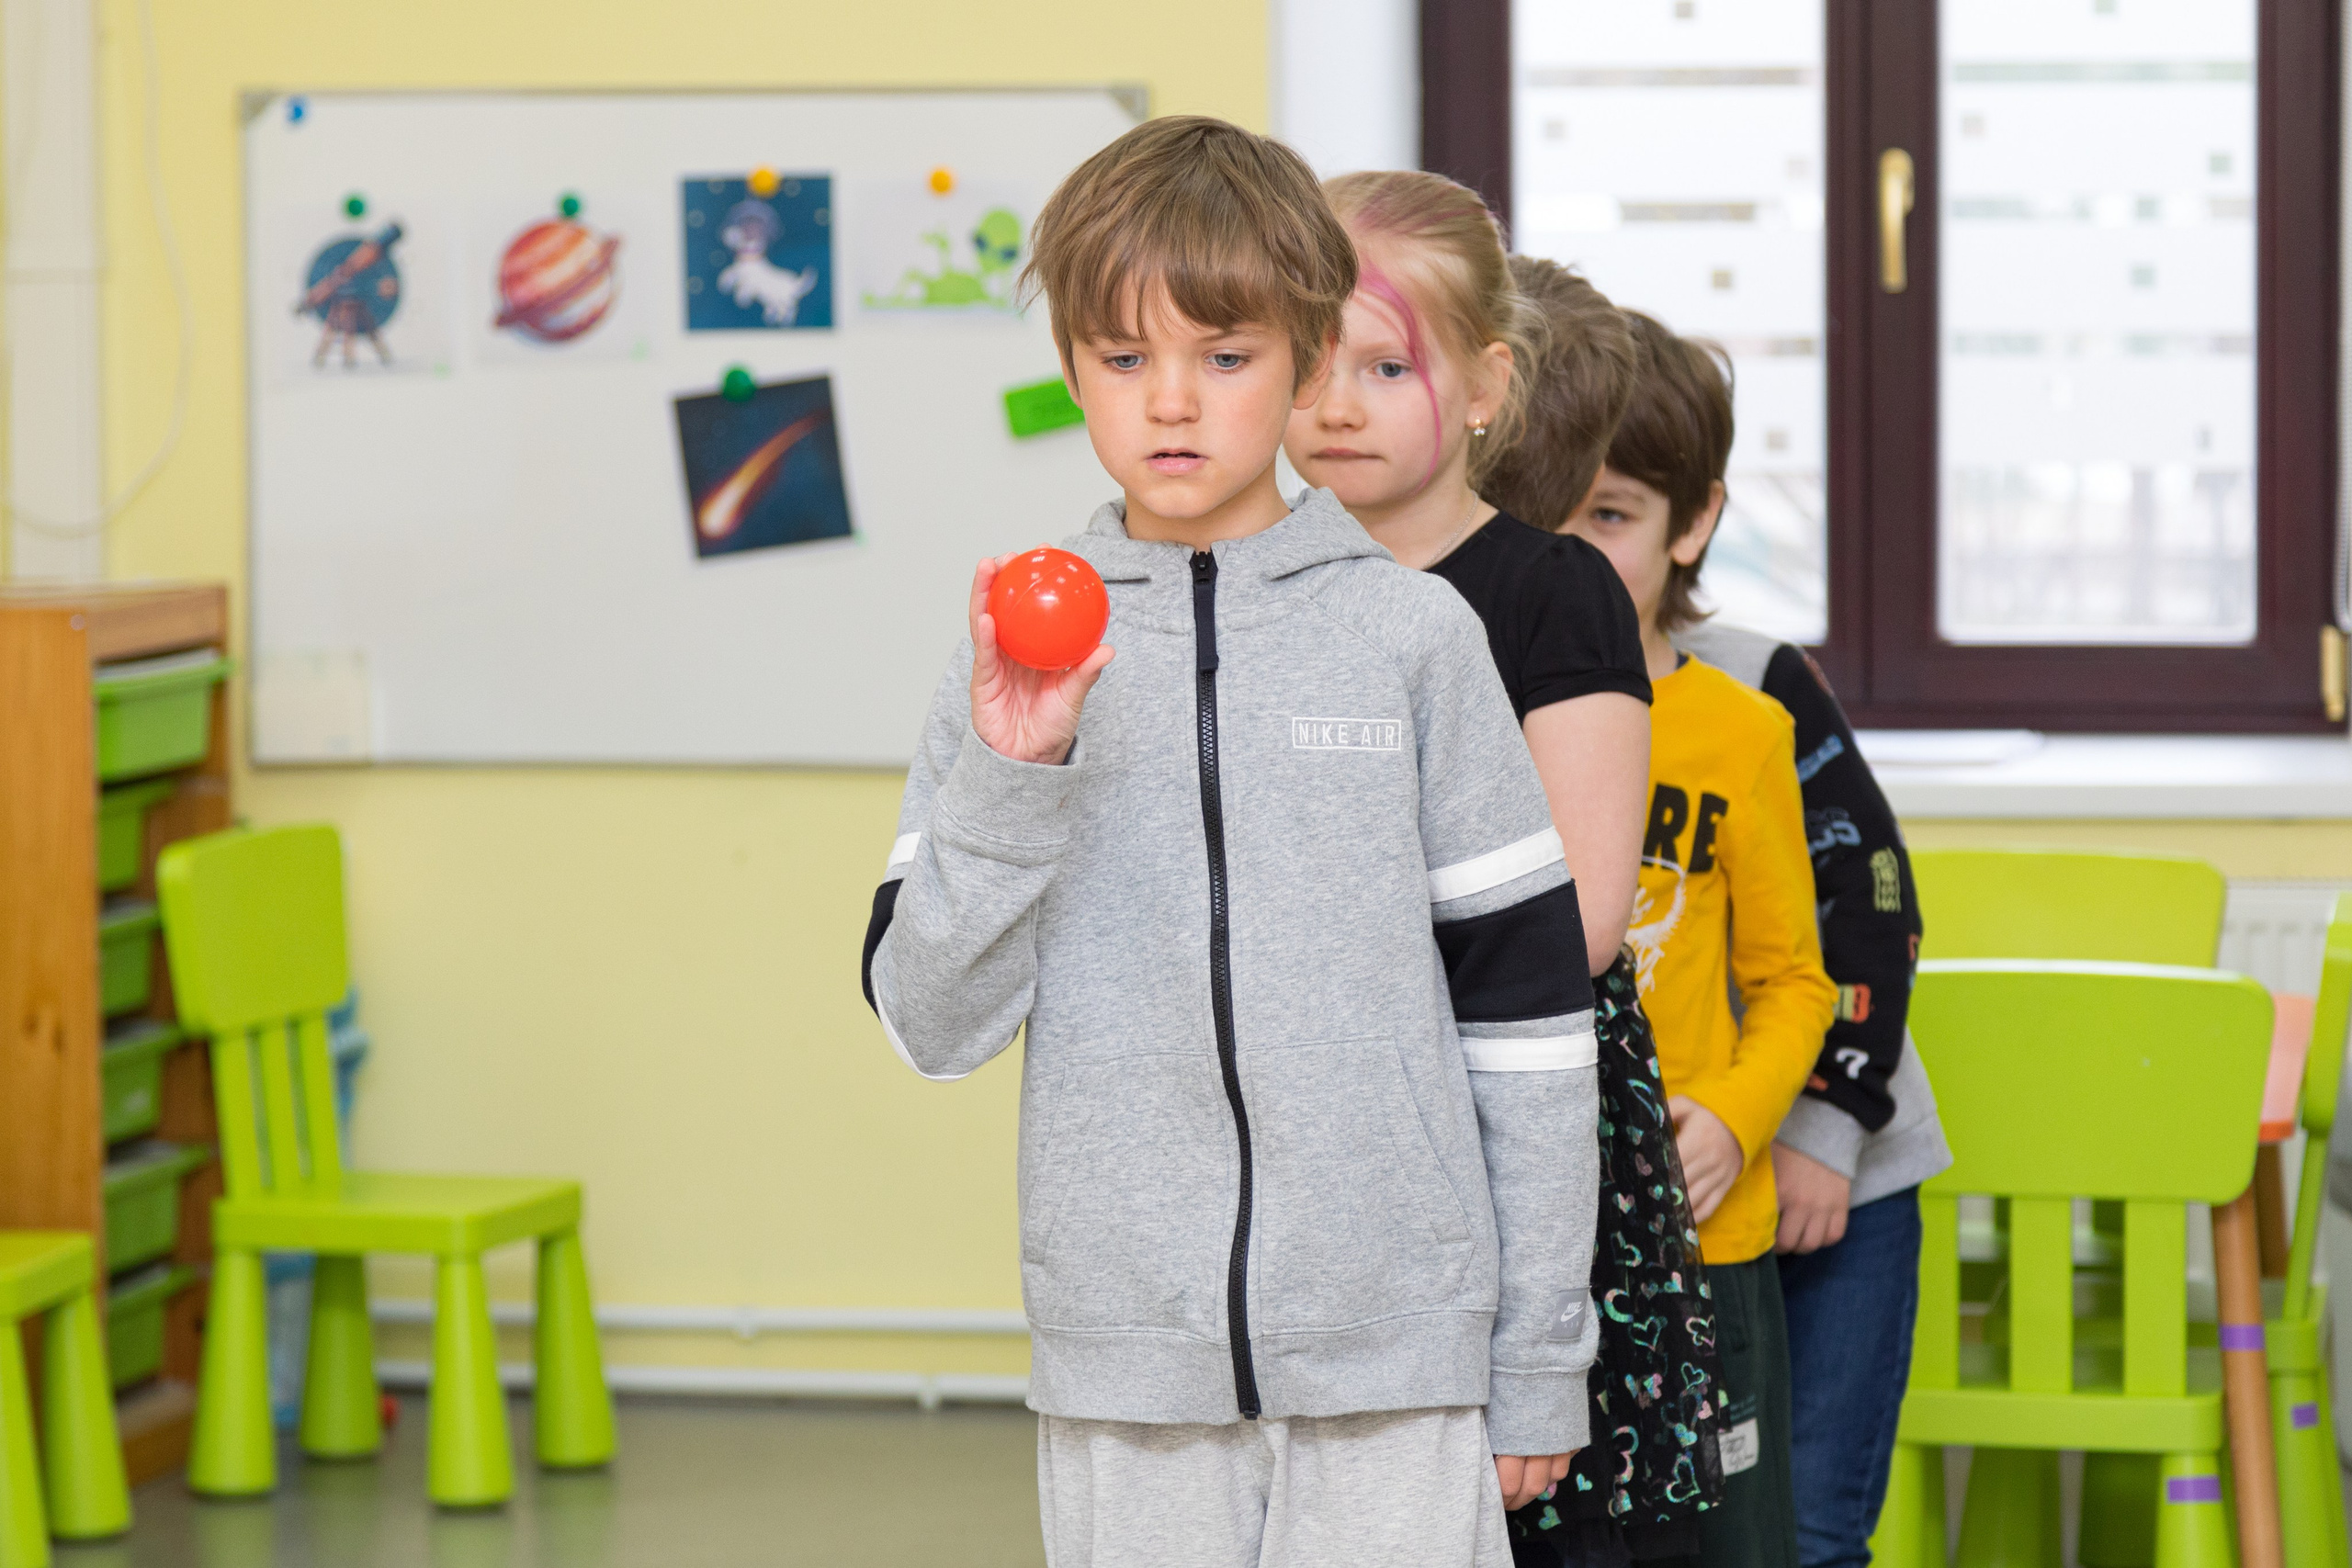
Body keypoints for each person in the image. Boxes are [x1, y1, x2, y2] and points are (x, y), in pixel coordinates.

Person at [860, 118, 1601, 1568]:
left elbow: (1525, 1020)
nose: (1172, 404)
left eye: (1226, 353)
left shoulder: (1409, 636)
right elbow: (928, 1022)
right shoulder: (1007, 656)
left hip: (1400, 1358)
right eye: (1124, 358)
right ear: (1071, 366)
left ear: (1312, 351)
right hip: (1127, 1368)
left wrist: (1536, 1352)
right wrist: (1020, 773)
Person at [1283, 176, 1724, 1565]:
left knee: (1545, 1524)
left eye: (1386, 364)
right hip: (1314, 1144)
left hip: (1511, 1131)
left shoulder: (1549, 591)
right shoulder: (1253, 590)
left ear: (1484, 385)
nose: (1336, 402)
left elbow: (1581, 916)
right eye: (1304, 359)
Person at [1563, 312, 1838, 1568]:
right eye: (1547, 516)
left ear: (1693, 521)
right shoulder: (1474, 711)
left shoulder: (1742, 728)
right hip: (1538, 1246)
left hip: (1704, 1242)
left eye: (1610, 516)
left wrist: (1733, 1112)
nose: (1573, 552)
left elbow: (1795, 979)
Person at [1675, 625, 1951, 1568]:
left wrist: (1823, 1130)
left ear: (1691, 521)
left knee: (1811, 1535)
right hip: (1669, 1196)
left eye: (1614, 513)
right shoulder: (1500, 658)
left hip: (1831, 1169)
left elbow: (1874, 906)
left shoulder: (1757, 676)